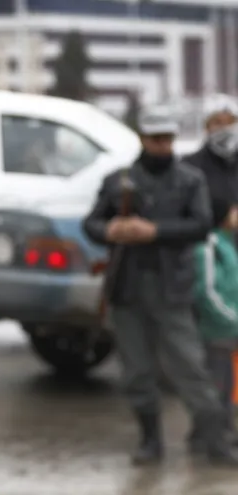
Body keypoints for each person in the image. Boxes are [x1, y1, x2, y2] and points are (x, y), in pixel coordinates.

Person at [82, 106, 238, 465]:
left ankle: (215, 437)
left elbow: (200, 225)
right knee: (137, 369)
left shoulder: (189, 179)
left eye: (168, 139)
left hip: (173, 288)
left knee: (190, 365)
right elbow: (92, 222)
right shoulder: (120, 180)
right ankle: (150, 439)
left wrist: (155, 232)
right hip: (128, 287)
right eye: (156, 139)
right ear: (143, 138)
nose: (163, 146)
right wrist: (110, 231)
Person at [192, 198, 238, 451]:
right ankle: (212, 439)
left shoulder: (227, 243)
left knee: (228, 385)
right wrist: (231, 318)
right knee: (216, 385)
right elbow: (207, 292)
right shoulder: (209, 246)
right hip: (216, 329)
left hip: (229, 329)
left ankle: (223, 432)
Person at [184, 94, 238, 210]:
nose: (225, 128)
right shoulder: (190, 166)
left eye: (230, 122)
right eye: (218, 122)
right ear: (206, 127)